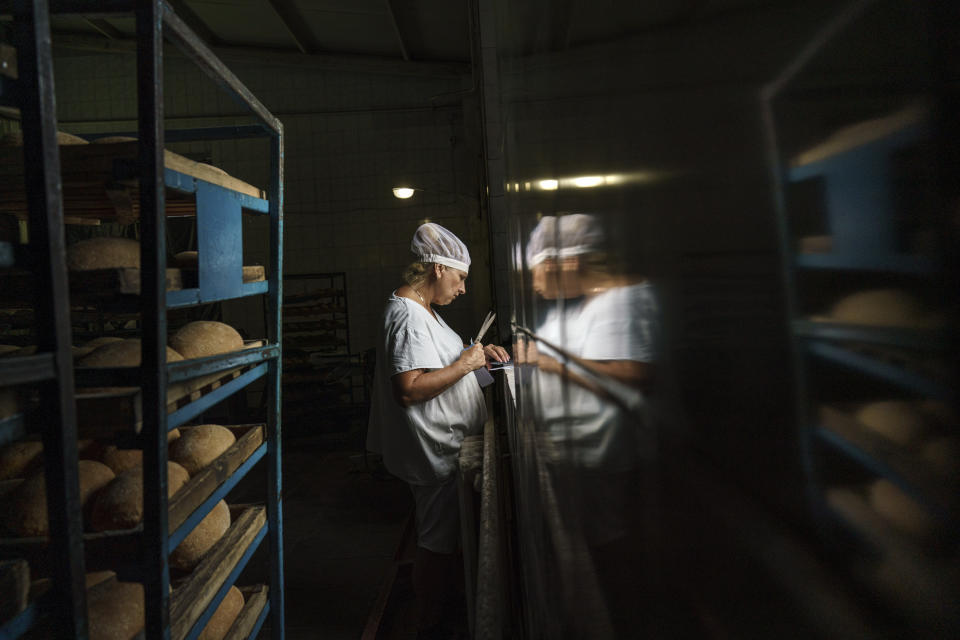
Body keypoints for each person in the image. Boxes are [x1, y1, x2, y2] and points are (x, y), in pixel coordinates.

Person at [366, 222, 509, 637]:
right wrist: (464, 364)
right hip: (435, 452)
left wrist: (481, 364)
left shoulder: (425, 311)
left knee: (442, 536)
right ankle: (427, 621)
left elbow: (447, 370)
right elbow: (409, 390)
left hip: (450, 446)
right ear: (438, 269)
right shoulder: (407, 316)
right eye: (461, 278)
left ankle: (434, 608)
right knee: (436, 542)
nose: (462, 288)